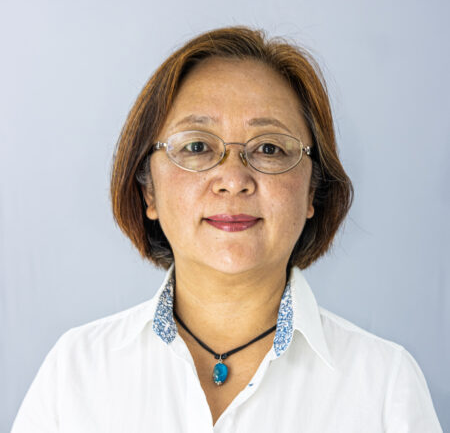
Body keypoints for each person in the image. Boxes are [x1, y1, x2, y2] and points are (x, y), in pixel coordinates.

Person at [11, 26, 442, 432]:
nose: (233, 180)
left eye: (269, 148)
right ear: (149, 192)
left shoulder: (384, 385)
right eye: (197, 146)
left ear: (313, 190)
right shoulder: (76, 372)